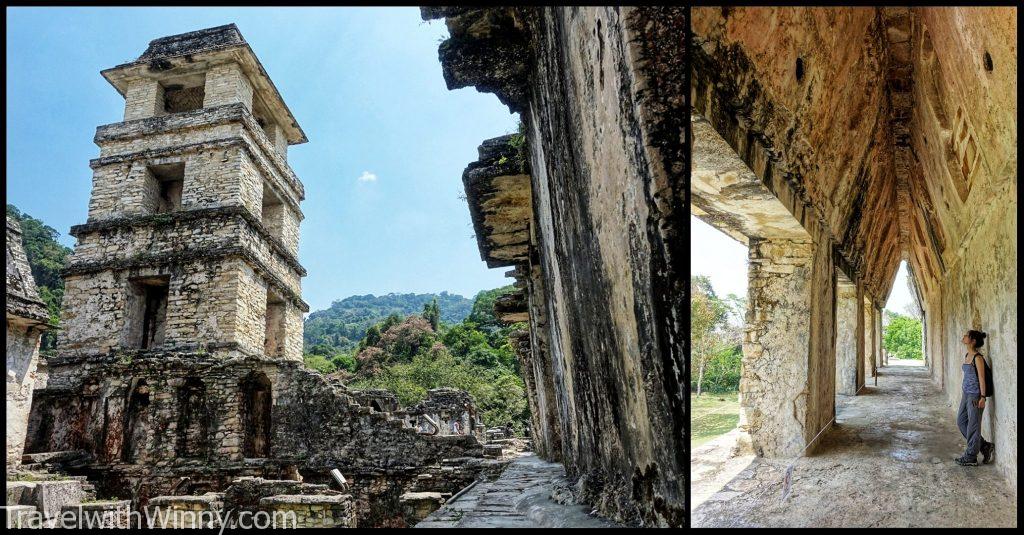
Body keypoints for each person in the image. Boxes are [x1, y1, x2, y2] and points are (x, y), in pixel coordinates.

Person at [955, 330, 994, 466]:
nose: (964, 337)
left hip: (975, 396)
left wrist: (982, 397)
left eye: (967, 336)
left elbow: (982, 379)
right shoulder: (968, 355)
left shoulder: (978, 358)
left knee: (973, 426)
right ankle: (984, 445)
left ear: (973, 341)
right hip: (966, 394)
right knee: (961, 421)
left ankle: (971, 456)